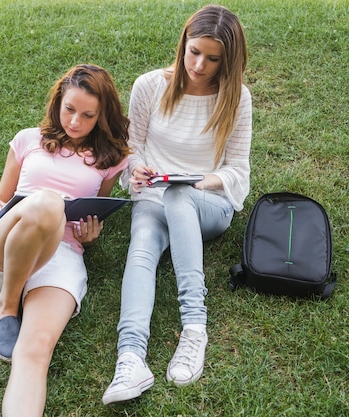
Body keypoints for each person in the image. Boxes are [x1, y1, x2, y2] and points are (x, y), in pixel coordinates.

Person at [102, 5, 252, 404]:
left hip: (207, 203)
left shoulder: (237, 100)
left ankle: (194, 328)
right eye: (193, 51)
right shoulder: (150, 85)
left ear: (228, 61)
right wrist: (135, 170)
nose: (199, 64)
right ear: (183, 43)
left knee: (179, 192)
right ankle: (130, 358)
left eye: (212, 58)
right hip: (153, 195)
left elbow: (238, 170)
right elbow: (131, 148)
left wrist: (201, 179)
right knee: (141, 251)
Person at [0, 64, 129, 417]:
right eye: (69, 109)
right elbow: (1, 200)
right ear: (58, 101)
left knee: (36, 349)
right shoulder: (28, 139)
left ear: (102, 117)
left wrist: (89, 238)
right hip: (6, 245)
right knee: (47, 202)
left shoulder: (109, 161)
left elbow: (96, 209)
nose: (75, 122)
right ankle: (7, 305)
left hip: (61, 255)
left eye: (88, 116)